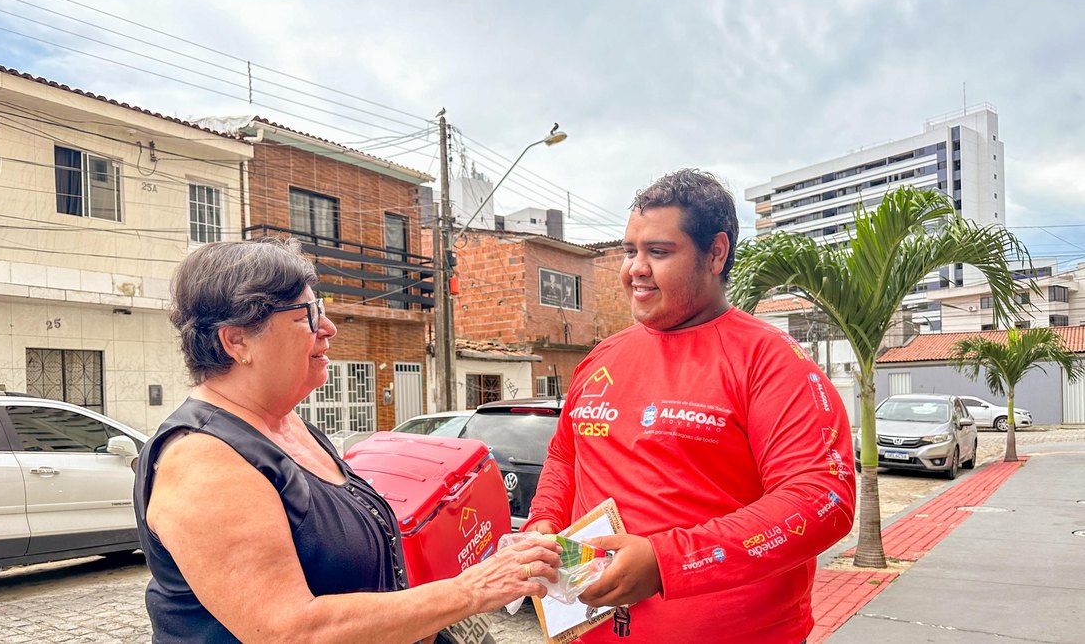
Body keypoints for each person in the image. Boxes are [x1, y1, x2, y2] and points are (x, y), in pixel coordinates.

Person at [133, 237, 561, 643]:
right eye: (307, 315)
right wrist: (468, 592)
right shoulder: (203, 461)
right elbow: (289, 631)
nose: (329, 328)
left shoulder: (287, 425)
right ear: (237, 340)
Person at [525, 170, 857, 643]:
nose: (634, 269)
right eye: (629, 251)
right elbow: (566, 457)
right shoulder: (603, 356)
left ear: (715, 253)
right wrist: (544, 524)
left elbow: (823, 499)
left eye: (658, 252)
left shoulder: (770, 361)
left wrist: (667, 562)